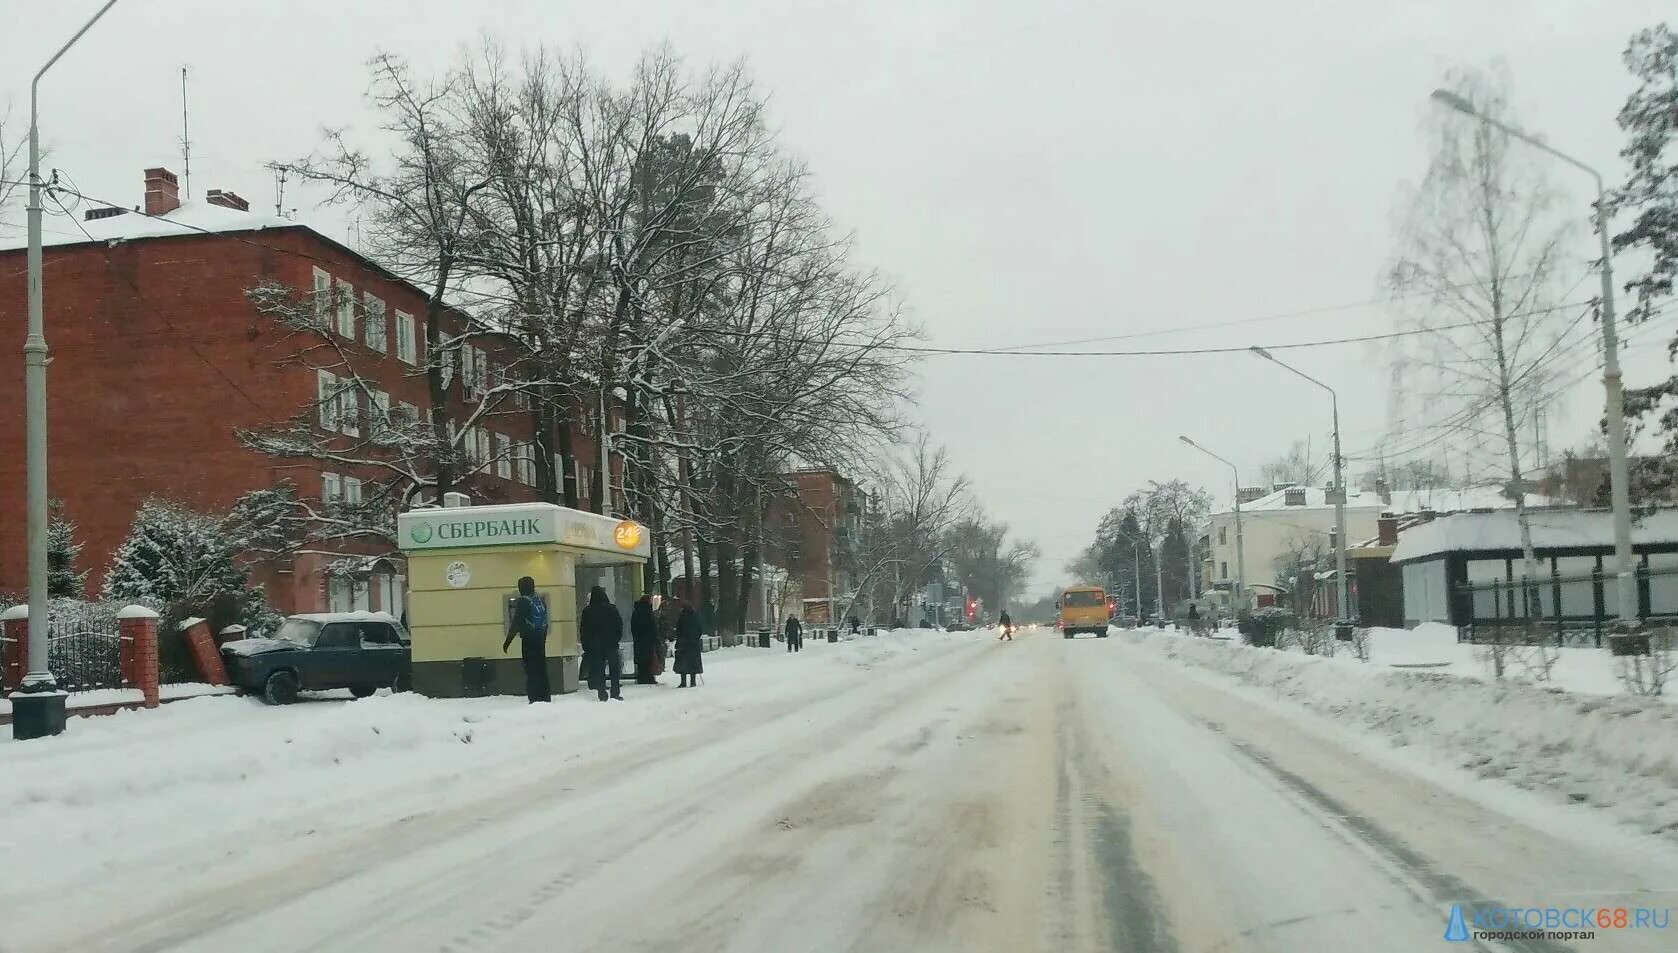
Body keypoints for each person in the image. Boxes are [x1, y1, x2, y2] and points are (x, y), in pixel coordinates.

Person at [501, 576, 551, 703]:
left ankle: (534, 698)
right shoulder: (539, 600)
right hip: (540, 640)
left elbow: (516, 622)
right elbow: (545, 622)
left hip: (529, 641)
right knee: (541, 669)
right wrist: (542, 638)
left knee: (531, 670)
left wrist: (508, 641)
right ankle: (545, 697)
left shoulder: (523, 601)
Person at [579, 585, 624, 701]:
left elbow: (584, 630)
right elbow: (619, 625)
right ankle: (615, 692)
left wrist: (586, 644)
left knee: (599, 670)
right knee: (614, 669)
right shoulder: (612, 609)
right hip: (611, 644)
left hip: (595, 646)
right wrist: (616, 638)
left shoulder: (587, 611)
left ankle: (602, 692)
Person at [631, 594, 663, 684]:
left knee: (641, 660)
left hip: (639, 640)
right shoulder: (648, 612)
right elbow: (652, 627)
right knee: (649, 659)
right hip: (648, 640)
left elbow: (633, 626)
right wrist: (655, 638)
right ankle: (649, 678)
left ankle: (641, 678)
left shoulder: (636, 611)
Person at [673, 600, 704, 687]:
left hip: (683, 644)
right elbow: (699, 629)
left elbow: (678, 630)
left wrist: (680, 638)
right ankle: (693, 682)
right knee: (693, 663)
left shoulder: (681, 617)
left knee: (683, 663)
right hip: (693, 644)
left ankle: (683, 682)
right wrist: (695, 638)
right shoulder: (695, 616)